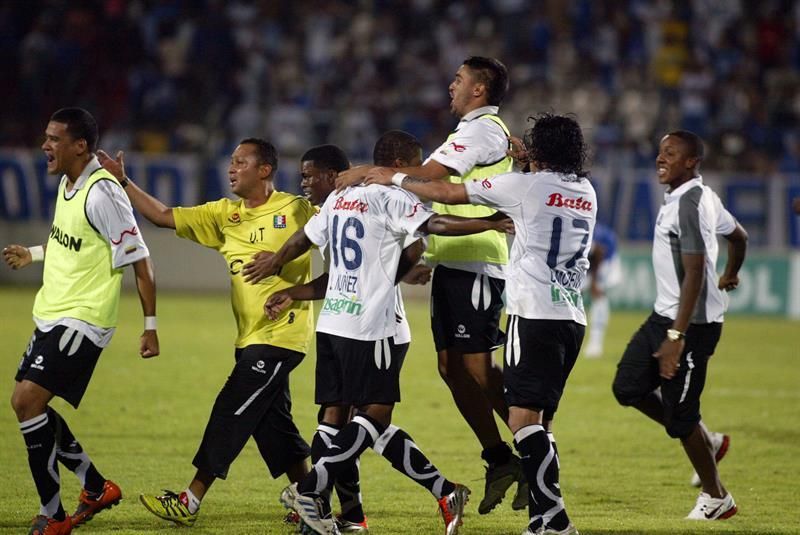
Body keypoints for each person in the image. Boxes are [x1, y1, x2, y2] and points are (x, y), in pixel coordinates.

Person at [252, 134, 519, 535]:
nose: (419, 172)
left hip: (337, 323)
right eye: (414, 164)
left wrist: (278, 269)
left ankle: (343, 513)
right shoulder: (389, 196)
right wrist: (490, 222)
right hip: (372, 325)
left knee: (337, 422)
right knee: (368, 421)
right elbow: (433, 226)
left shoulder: (337, 203)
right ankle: (325, 497)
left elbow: (305, 242)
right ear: (398, 163)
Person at [364, 112, 595, 535]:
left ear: (538, 150)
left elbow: (444, 192)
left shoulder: (523, 186)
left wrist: (390, 178)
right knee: (534, 419)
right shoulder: (585, 191)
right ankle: (545, 517)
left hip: (534, 314)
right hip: (571, 316)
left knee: (524, 421)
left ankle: (554, 519)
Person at [337, 56, 526, 513]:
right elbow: (439, 196)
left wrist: (372, 171)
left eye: (459, 79)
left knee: (479, 369)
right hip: (454, 263)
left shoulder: (481, 131)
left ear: (479, 90)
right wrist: (427, 255)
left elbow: (433, 180)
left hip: (479, 262)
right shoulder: (472, 133)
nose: (450, 85)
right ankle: (500, 457)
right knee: (451, 369)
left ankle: (537, 448)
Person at [96, 138, 314, 527]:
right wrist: (124, 182)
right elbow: (163, 215)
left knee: (231, 409)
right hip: (249, 336)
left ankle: (190, 499)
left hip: (282, 336)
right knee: (272, 425)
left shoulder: (295, 208)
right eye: (230, 161)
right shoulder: (223, 214)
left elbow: (336, 227)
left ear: (264, 170)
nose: (232, 168)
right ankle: (311, 498)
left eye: (241, 162)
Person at [3, 107, 159, 535]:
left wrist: (150, 325)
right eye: (45, 137)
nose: (45, 146)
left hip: (84, 319)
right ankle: (94, 487)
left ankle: (53, 516)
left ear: (80, 146)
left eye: (54, 139)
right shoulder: (70, 183)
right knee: (31, 405)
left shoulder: (102, 193)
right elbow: (68, 241)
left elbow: (140, 261)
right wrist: (33, 254)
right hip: (53, 312)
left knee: (25, 401)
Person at [611, 130, 747, 520]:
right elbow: (740, 237)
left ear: (692, 162)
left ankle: (716, 496)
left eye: (670, 153)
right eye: (659, 152)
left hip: (691, 325)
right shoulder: (701, 197)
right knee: (628, 387)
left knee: (681, 415)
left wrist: (676, 335)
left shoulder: (690, 203)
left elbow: (694, 273)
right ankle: (709, 439)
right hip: (664, 315)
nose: (660, 158)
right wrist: (732, 274)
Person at [582, 222, 621, 358]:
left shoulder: (589, 232)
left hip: (606, 259)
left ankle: (595, 343)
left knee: (598, 295)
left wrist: (593, 283)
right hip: (588, 261)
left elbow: (599, 251)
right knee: (573, 295)